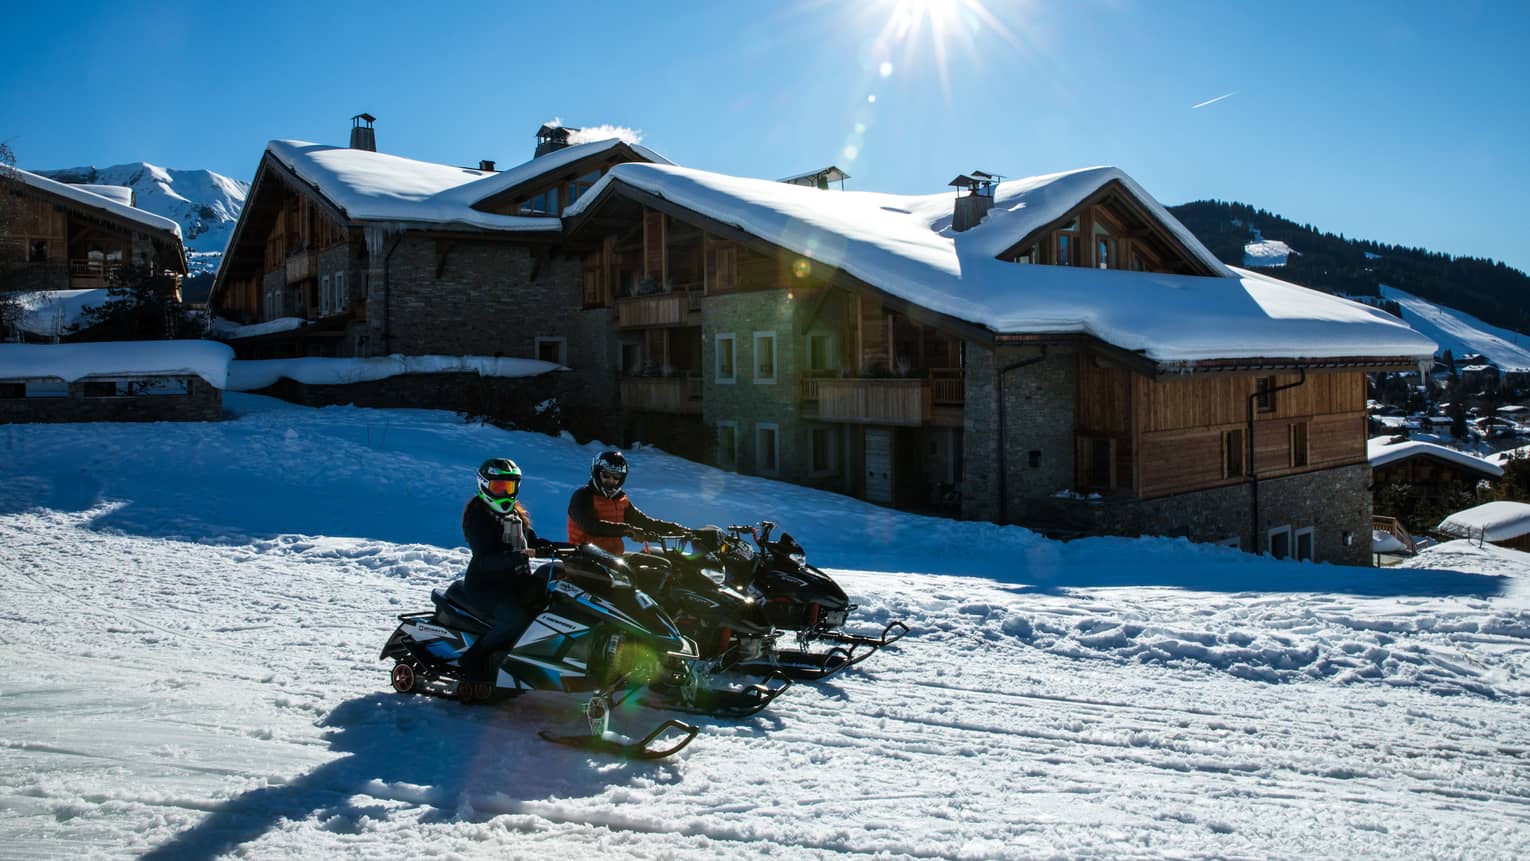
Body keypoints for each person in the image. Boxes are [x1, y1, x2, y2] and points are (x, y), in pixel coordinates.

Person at [456, 457, 555, 681]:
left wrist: (566, 549)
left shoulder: (514, 516)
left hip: (514, 583)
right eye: (498, 486)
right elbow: (484, 560)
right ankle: (474, 659)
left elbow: (532, 542)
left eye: (509, 486)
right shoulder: (479, 516)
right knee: (515, 619)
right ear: (484, 485)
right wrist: (517, 556)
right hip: (486, 588)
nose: (504, 492)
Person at [567, 450, 687, 554]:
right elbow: (590, 526)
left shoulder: (620, 499)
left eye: (616, 477)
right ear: (596, 473)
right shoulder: (583, 496)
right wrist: (627, 530)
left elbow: (643, 522)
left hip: (613, 558)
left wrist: (674, 528)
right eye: (606, 475)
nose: (611, 480)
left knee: (658, 567)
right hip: (584, 557)